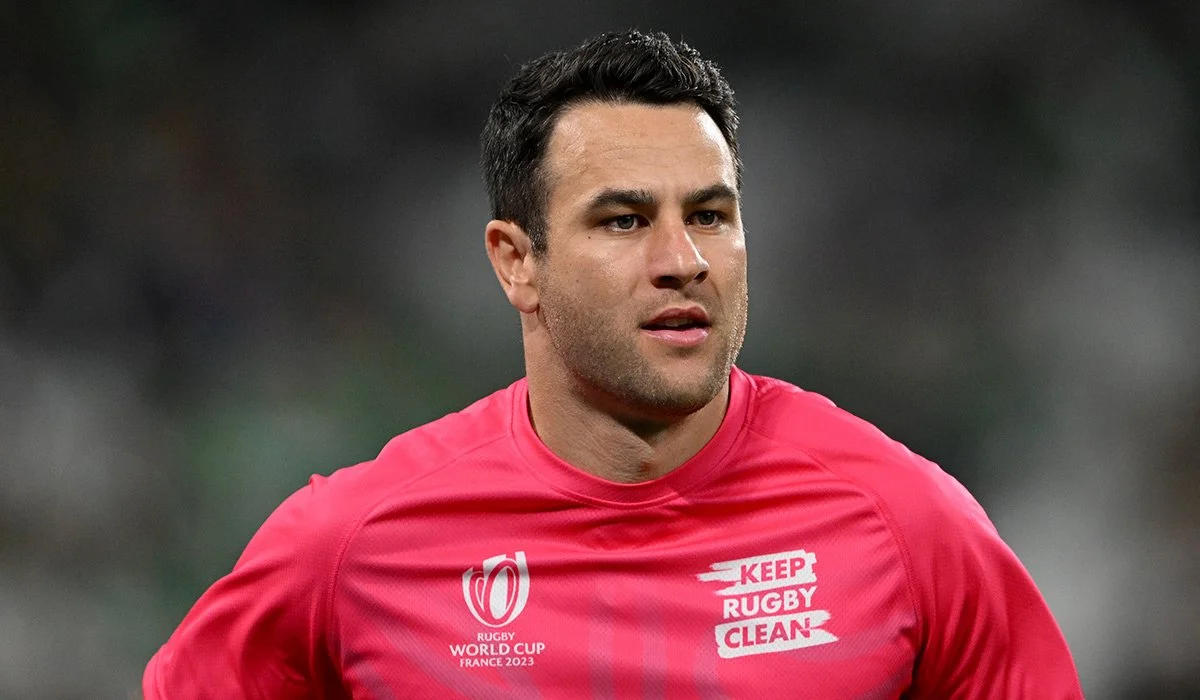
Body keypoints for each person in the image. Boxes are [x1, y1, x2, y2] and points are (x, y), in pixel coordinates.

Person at [143, 30, 1083, 698]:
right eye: (625, 220)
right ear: (518, 263)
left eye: (710, 215)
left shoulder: (910, 525)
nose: (684, 259)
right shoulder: (348, 547)